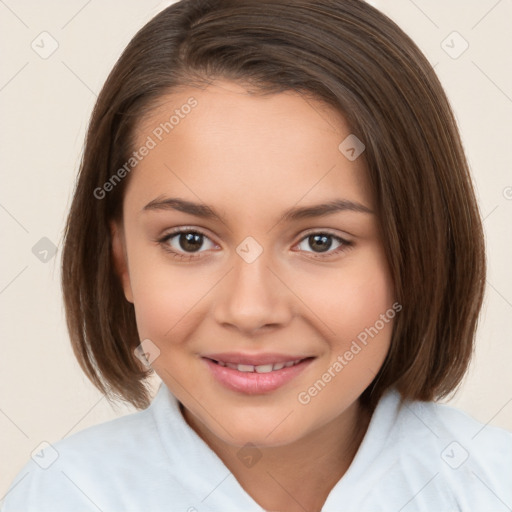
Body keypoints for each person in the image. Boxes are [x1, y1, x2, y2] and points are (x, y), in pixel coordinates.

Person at [2, 0, 511, 511]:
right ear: (122, 261)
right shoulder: (59, 495)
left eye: (320, 241)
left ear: (418, 256)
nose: (249, 310)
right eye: (190, 240)